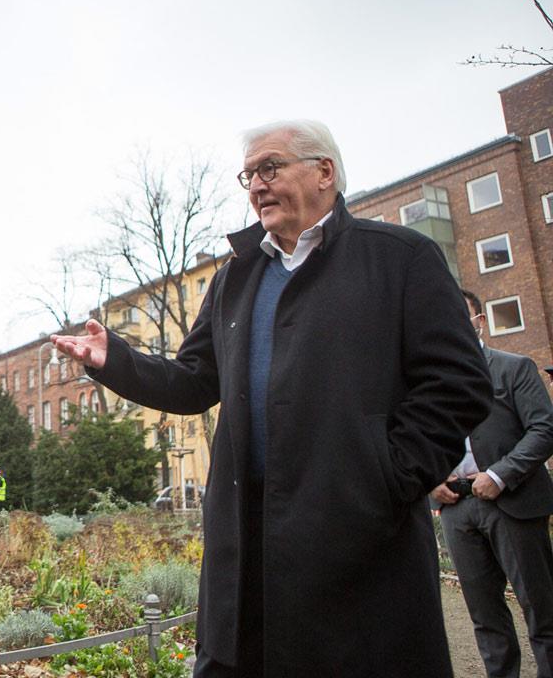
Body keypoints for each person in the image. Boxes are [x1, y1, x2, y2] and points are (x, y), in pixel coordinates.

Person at [52, 120, 491, 677]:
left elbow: (458, 384)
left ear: (324, 172)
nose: (256, 184)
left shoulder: (400, 259)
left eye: (270, 167)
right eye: (249, 175)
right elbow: (193, 381)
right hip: (245, 536)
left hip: (357, 537)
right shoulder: (238, 276)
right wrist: (114, 359)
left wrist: (384, 475)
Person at [430, 290, 553, 678]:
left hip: (512, 501)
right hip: (457, 509)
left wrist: (500, 474)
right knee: (485, 619)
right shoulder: (431, 385)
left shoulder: (514, 368)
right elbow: (421, 441)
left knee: (541, 611)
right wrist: (432, 480)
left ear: (479, 320)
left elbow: (544, 428)